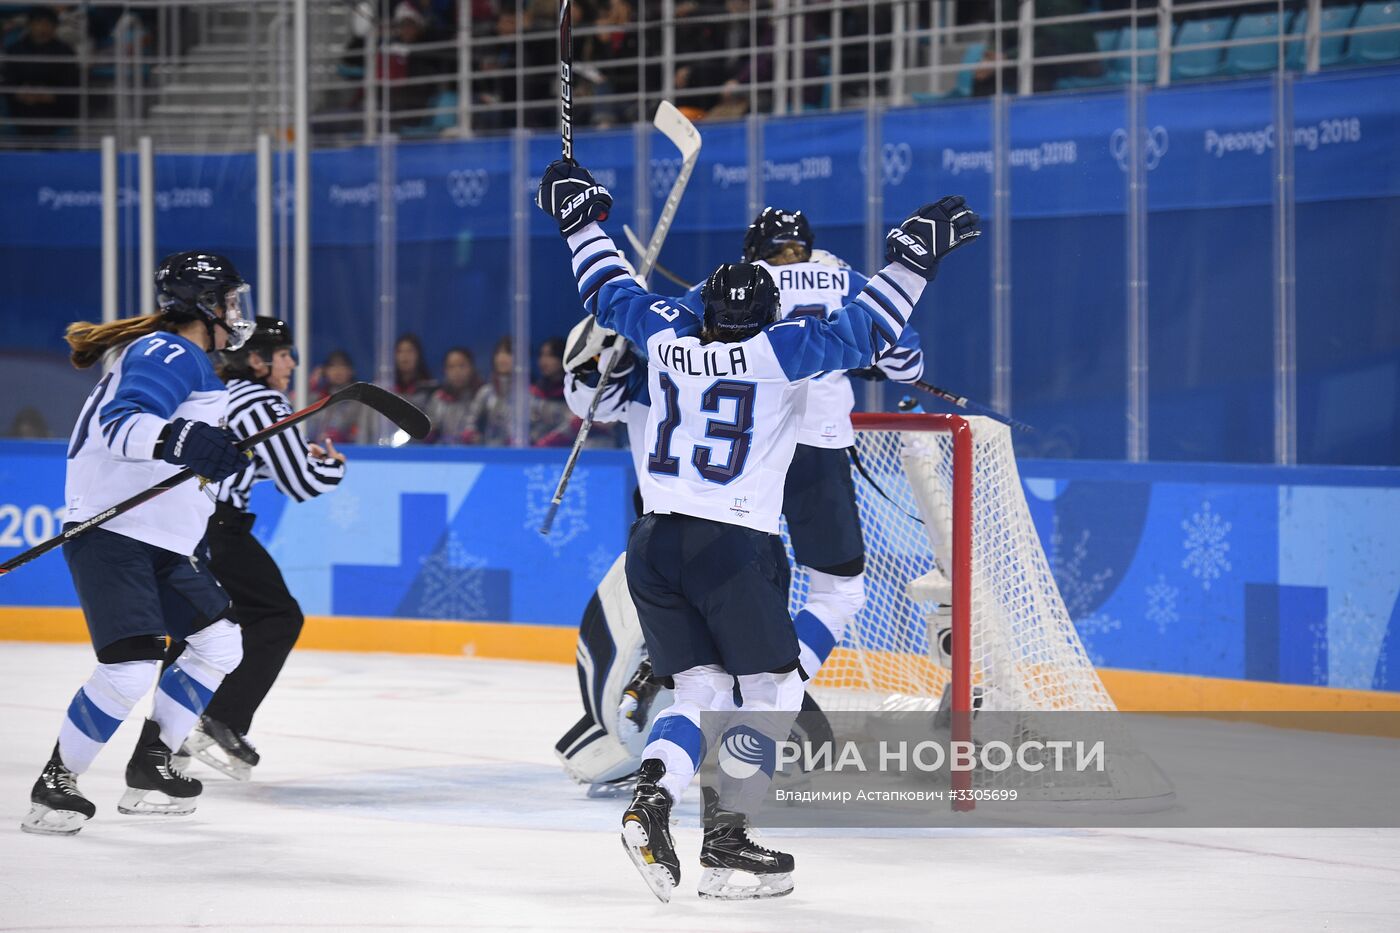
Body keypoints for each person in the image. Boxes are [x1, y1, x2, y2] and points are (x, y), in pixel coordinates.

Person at [537, 159, 979, 900]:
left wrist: (577, 217)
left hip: (653, 545)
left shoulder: (671, 337)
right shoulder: (778, 354)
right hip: (734, 548)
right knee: (771, 693)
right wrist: (914, 255)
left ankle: (653, 801)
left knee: (700, 690)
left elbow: (608, 290)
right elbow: (868, 329)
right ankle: (727, 842)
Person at [21, 252, 256, 836]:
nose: (234, 313)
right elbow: (123, 425)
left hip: (156, 541)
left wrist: (209, 457)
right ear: (202, 305)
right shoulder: (171, 351)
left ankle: (153, 764)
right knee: (130, 668)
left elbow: (173, 450)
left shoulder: (185, 360)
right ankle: (56, 784)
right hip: (116, 534)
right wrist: (184, 439)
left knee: (219, 643)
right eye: (228, 301)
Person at [684, 207, 929, 693]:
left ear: (754, 247)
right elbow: (908, 360)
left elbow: (673, 340)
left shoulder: (732, 282)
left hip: (740, 456)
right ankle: (776, 693)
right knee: (838, 592)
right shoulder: (843, 279)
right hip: (817, 448)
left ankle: (694, 684)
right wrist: (869, 362)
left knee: (731, 583)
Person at [169, 317, 347, 780]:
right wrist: (333, 469)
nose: (292, 363)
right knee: (277, 616)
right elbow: (303, 484)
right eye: (286, 353)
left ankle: (165, 738)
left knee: (197, 631)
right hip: (220, 531)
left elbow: (241, 465)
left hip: (180, 528)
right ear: (257, 359)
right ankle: (221, 718)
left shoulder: (216, 394)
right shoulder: (265, 402)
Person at [3, 6, 79, 137]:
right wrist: (21, 93)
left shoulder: (65, 52)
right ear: (30, 25)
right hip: (22, 106)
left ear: (55, 27)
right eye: (38, 23)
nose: (42, 28)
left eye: (47, 24)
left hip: (55, 107)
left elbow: (71, 84)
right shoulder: (14, 50)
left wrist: (50, 96)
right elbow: (8, 81)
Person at [426, 347, 484, 444]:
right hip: (443, 455)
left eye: (462, 366)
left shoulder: (481, 396)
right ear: (445, 371)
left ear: (471, 368)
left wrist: (478, 438)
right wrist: (430, 433)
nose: (457, 372)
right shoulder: (438, 398)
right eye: (451, 367)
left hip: (475, 455)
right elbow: (430, 428)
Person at [307, 349, 361, 444]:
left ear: (351, 371)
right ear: (325, 371)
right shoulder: (316, 398)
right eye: (333, 366)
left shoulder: (358, 402)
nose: (338, 371)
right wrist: (310, 385)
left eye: (342, 366)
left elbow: (361, 434)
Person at [393, 333, 438, 408]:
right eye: (400, 351)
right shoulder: (386, 385)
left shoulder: (430, 389)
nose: (404, 356)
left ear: (418, 355)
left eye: (409, 351)